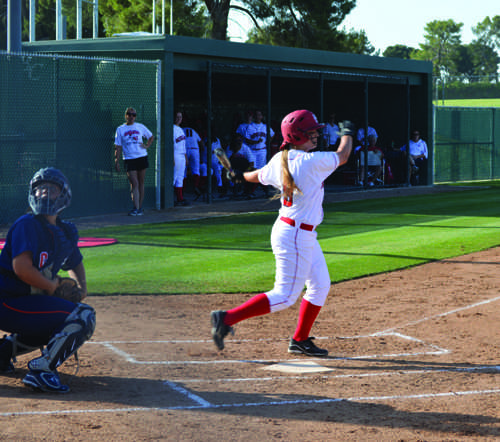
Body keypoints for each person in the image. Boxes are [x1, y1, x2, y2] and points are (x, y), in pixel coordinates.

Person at [210, 109, 354, 357]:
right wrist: (348, 132)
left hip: (296, 232)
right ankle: (226, 318)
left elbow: (257, 176)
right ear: (297, 136)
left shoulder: (281, 159)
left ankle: (300, 340)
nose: (316, 136)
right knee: (285, 296)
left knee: (320, 285)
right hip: (295, 235)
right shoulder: (310, 162)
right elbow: (343, 156)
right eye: (311, 132)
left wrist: (240, 177)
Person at [0, 167, 96, 392]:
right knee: (83, 316)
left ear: (64, 195)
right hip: (6, 301)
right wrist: (53, 285)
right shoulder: (27, 224)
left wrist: (82, 288)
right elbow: (21, 268)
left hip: (19, 303)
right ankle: (42, 371)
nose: (44, 193)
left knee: (62, 319)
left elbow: (74, 261)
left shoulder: (65, 231)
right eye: (40, 189)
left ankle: (1, 353)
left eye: (51, 189)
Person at [114, 107, 154, 216]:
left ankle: (139, 207)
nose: (131, 117)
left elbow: (151, 137)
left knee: (141, 182)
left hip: (141, 156)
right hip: (129, 158)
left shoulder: (140, 126)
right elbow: (118, 146)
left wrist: (146, 145)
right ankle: (135, 207)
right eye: (129, 114)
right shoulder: (120, 129)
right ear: (126, 115)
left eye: (133, 115)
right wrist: (116, 160)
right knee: (134, 183)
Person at [173, 111, 189, 206]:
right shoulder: (172, 128)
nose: (179, 119)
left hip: (182, 155)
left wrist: (186, 157)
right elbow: (171, 144)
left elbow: (183, 145)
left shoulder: (181, 129)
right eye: (177, 117)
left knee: (180, 178)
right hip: (175, 155)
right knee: (173, 177)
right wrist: (172, 158)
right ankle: (169, 199)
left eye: (180, 117)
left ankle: (180, 198)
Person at [183, 126, 203, 198]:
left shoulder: (181, 129)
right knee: (196, 170)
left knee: (183, 171)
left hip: (185, 149)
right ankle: (196, 186)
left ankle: (183, 190)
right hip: (195, 149)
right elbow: (201, 142)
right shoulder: (194, 131)